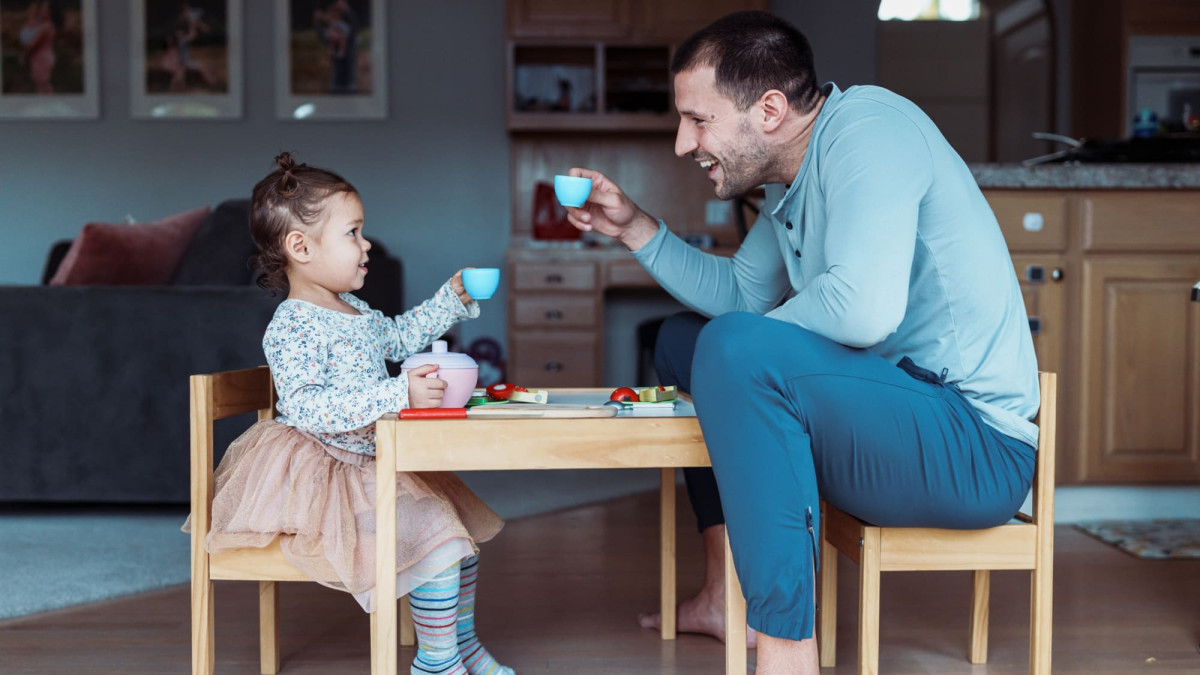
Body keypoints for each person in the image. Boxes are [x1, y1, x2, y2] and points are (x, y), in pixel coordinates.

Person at [563, 11, 1039, 675]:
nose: (681, 142)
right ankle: (723, 592)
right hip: (897, 416)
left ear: (769, 109)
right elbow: (737, 298)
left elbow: (864, 310)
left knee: (731, 351)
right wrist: (635, 227)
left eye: (697, 119)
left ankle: (787, 652)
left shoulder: (870, 131)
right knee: (686, 340)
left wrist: (739, 353)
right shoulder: (794, 181)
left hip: (973, 445)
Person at [193, 152, 515, 675]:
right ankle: (435, 663)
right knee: (439, 537)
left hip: (370, 459)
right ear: (300, 247)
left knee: (461, 540)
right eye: (354, 233)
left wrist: (450, 299)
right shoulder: (293, 325)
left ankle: (461, 647)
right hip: (325, 472)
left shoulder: (357, 310)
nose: (367, 246)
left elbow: (403, 336)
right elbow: (310, 407)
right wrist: (397, 395)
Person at [18, 0, 56, 94]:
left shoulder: (45, 27)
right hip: (42, 58)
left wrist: (24, 53)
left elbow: (32, 44)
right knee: (43, 86)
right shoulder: (46, 25)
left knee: (42, 86)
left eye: (44, 8)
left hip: (42, 59)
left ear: (49, 11)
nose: (41, 11)